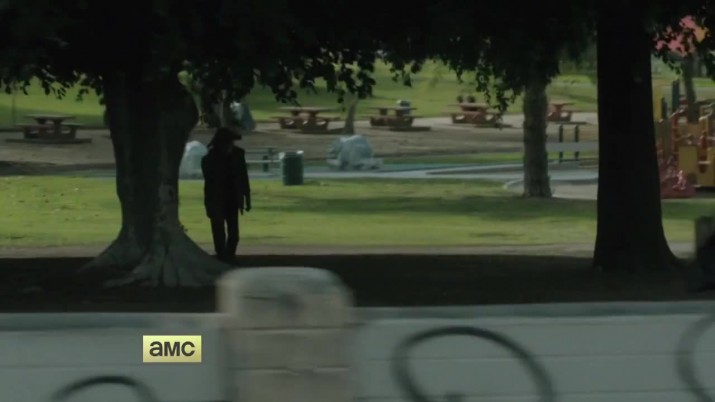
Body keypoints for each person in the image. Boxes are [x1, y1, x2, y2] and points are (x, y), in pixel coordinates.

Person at [201, 127, 251, 262]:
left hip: (232, 197)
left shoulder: (237, 156)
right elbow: (210, 182)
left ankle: (229, 255)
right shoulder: (210, 159)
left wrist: (246, 197)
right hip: (216, 197)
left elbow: (243, 177)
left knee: (233, 232)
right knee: (218, 230)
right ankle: (221, 255)